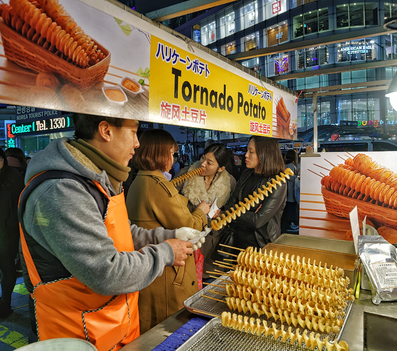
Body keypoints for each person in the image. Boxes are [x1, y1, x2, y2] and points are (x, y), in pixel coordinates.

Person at [19, 114, 204, 350]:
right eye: (133, 132)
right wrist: (165, 253)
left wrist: (167, 235)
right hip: (75, 335)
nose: (137, 143)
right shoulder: (62, 190)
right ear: (106, 131)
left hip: (113, 328)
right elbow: (104, 272)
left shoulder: (100, 179)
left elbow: (120, 232)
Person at [126, 129, 210, 333]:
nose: (173, 159)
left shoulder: (139, 180)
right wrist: (201, 212)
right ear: (160, 154)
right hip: (167, 274)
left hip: (152, 269)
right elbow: (187, 225)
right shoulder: (158, 186)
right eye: (171, 154)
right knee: (170, 331)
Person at [175, 143, 236, 282]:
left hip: (213, 243)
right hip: (188, 237)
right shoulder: (185, 175)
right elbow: (169, 202)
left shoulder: (230, 182)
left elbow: (232, 210)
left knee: (209, 281)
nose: (202, 164)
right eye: (203, 158)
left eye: (209, 163)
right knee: (187, 280)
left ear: (221, 168)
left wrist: (222, 214)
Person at [220, 136, 287, 251]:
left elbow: (258, 220)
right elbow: (230, 204)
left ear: (265, 154)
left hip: (261, 245)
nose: (246, 155)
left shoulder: (277, 182)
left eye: (251, 152)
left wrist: (231, 213)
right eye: (247, 151)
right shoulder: (246, 174)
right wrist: (248, 214)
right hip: (237, 241)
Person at [0, 148, 24, 319]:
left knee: (8, 269)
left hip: (8, 233)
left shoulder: (13, 177)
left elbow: (19, 206)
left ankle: (5, 303)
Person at [281, 149, 300, 233]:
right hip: (291, 190)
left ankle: (288, 224)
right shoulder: (291, 165)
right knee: (292, 208)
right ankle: (291, 224)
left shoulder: (284, 164)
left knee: (287, 207)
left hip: (285, 190)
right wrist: (297, 174)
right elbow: (292, 178)